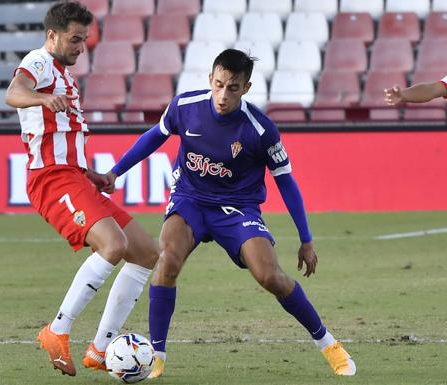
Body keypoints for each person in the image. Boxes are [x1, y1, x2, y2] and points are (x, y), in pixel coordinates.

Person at [104, 49, 357, 378]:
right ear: (210, 78)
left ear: (246, 88)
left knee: (270, 276)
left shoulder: (261, 130)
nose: (223, 95)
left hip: (238, 208)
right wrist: (115, 172)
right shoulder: (184, 107)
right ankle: (157, 357)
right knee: (166, 260)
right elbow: (154, 137)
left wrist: (306, 239)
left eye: (233, 88)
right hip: (190, 199)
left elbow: (287, 183)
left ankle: (328, 344)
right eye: (219, 84)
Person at [4, 1, 158, 377]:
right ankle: (57, 330)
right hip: (50, 178)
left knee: (146, 253)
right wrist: (42, 97)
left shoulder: (65, 74)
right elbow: (13, 92)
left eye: (84, 40)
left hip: (73, 175)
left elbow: (59, 136)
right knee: (114, 246)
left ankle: (101, 349)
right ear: (52, 35)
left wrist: (91, 174)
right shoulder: (40, 62)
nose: (80, 47)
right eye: (74, 39)